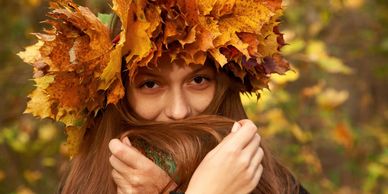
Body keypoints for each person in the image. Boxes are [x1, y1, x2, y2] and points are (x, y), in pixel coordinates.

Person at [18, 0, 309, 193]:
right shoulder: (84, 186)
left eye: (198, 80)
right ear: (119, 95)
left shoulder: (278, 186)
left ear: (222, 84)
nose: (179, 111)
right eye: (150, 85)